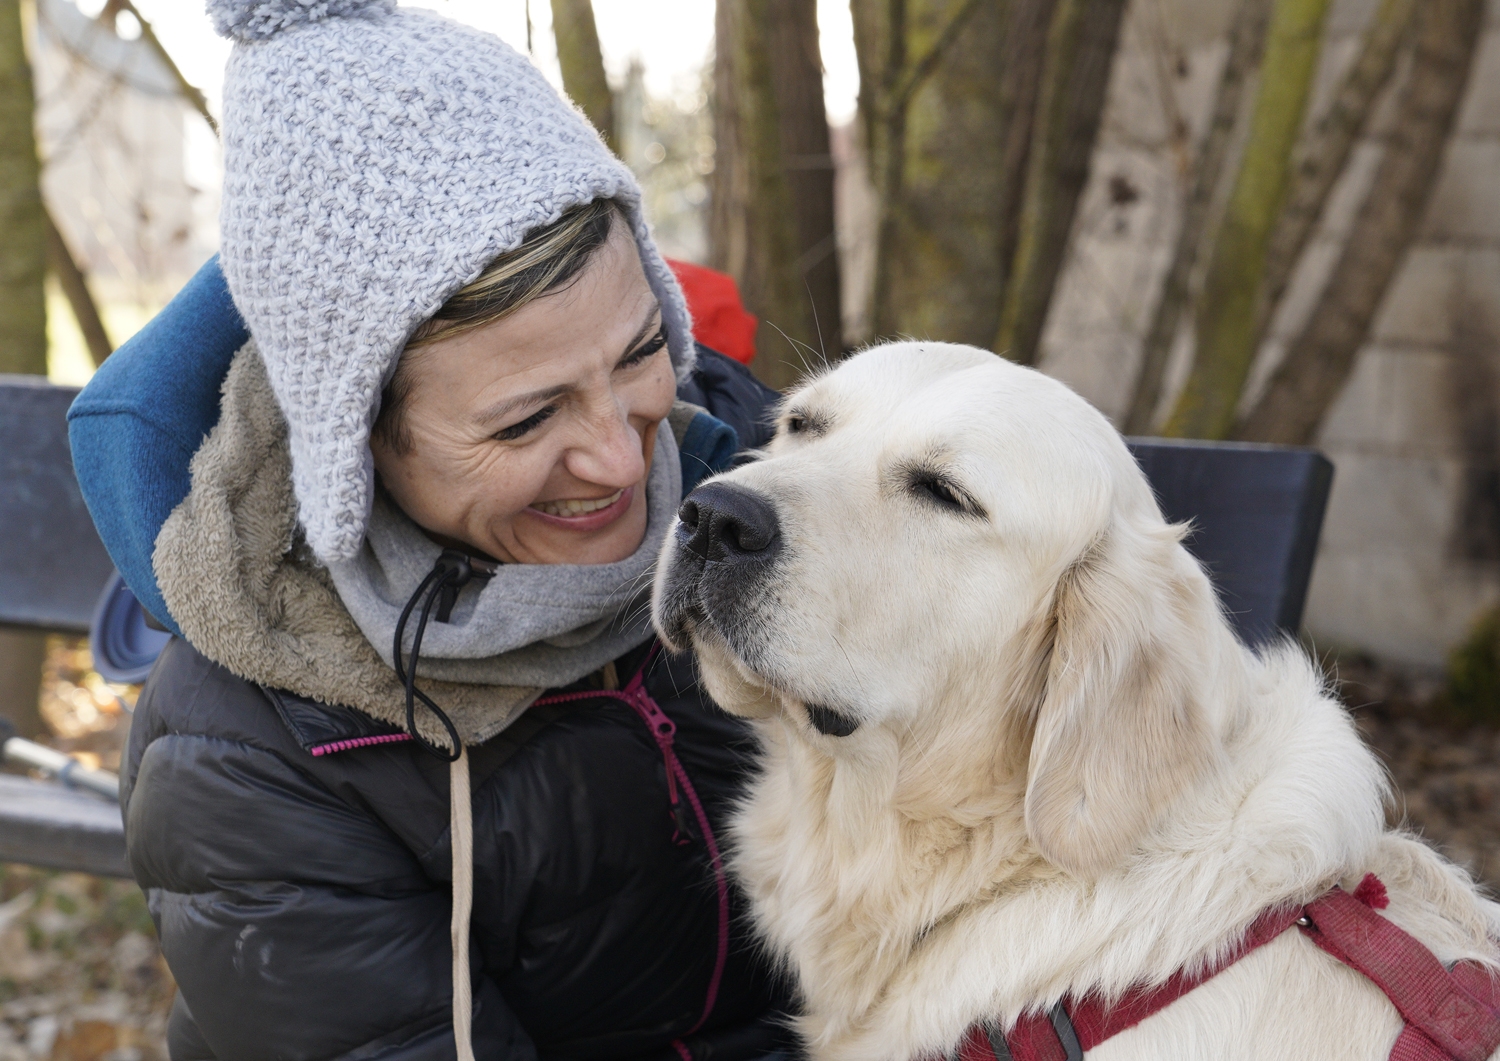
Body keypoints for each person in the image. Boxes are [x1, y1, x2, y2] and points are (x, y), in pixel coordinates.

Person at [66, 1, 789, 1058]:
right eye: (528, 417)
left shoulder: (757, 479)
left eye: (638, 353)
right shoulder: (252, 755)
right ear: (352, 444)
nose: (627, 461)